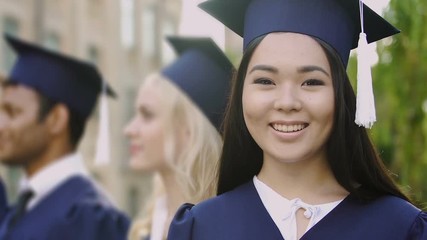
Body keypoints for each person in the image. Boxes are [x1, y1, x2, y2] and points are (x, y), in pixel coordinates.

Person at [167, 0, 427, 239]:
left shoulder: (399, 228)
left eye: (311, 82)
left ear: (341, 95)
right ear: (240, 93)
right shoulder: (201, 228)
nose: (287, 102)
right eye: (265, 81)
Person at [0, 34, 130, 240]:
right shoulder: (20, 210)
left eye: (13, 112)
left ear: (56, 120)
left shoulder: (92, 219)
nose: (1, 124)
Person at [124, 36, 234, 240]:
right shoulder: (148, 226)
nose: (130, 129)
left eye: (147, 115)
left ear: (189, 131)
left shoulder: (226, 229)